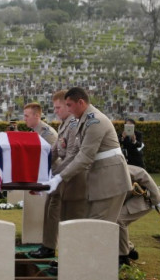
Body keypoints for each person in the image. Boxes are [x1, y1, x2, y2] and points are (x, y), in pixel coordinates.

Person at [46, 87, 130, 223]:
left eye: (69, 105)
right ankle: (126, 246)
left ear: (81, 102)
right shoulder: (84, 121)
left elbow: (85, 156)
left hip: (110, 181)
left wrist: (59, 177)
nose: (68, 109)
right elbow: (73, 154)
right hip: (102, 179)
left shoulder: (94, 121)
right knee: (103, 225)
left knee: (98, 226)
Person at [28, 91, 86, 259]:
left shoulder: (73, 125)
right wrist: (37, 175)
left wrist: (54, 178)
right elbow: (53, 153)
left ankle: (60, 253)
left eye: (59, 107)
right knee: (51, 209)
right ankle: (49, 246)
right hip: (60, 176)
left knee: (67, 216)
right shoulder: (64, 125)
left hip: (71, 178)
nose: (56, 111)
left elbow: (72, 155)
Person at [118, 165, 160, 266]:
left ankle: (123, 257)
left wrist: (157, 199)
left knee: (119, 220)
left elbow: (141, 173)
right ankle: (129, 248)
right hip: (124, 199)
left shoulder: (111, 164)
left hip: (142, 199)